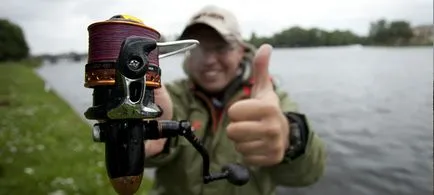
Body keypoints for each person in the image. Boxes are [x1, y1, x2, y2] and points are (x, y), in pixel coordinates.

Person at [143, 5, 326, 195]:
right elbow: (146, 156)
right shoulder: (170, 96)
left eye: (220, 47)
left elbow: (310, 173)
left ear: (240, 50)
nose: (209, 60)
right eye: (198, 49)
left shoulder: (270, 101)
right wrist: (141, 136)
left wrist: (290, 140)